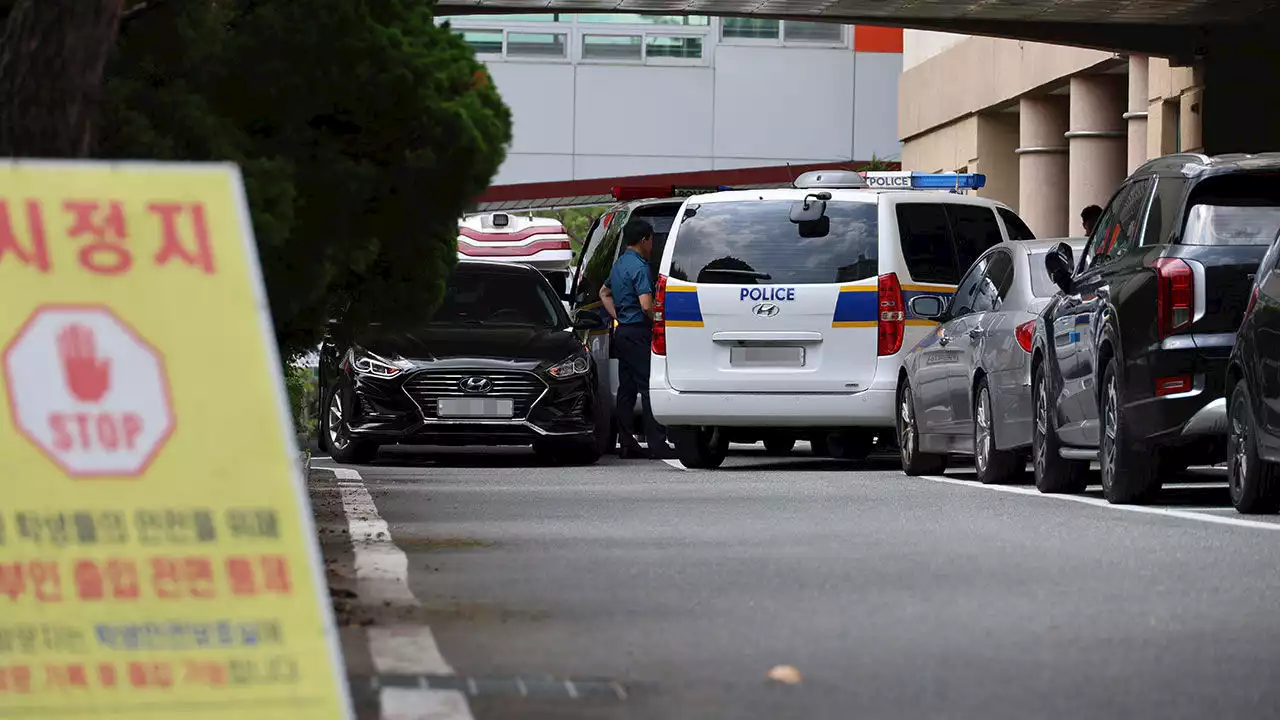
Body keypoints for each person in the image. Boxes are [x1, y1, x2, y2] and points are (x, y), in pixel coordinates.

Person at [599, 219, 673, 460]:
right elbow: (645, 305)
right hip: (640, 333)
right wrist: (659, 320)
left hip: (622, 333)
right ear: (644, 240)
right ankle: (656, 444)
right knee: (649, 387)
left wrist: (618, 315)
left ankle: (627, 441)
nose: (652, 244)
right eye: (652, 239)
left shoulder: (619, 264)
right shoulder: (641, 267)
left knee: (627, 389)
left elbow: (604, 293)